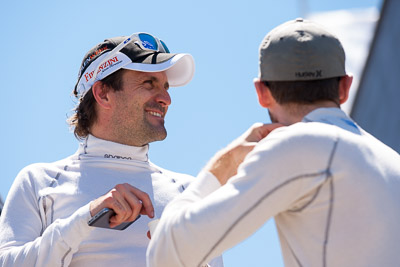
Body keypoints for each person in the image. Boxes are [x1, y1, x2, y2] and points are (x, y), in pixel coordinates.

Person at [147, 18, 400, 267]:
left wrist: (223, 165)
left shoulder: (295, 145)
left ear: (262, 93)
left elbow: (167, 253)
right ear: (344, 87)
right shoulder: (392, 160)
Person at [0, 33, 223, 266]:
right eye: (149, 83)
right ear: (103, 94)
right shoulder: (39, 182)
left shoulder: (189, 192)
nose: (166, 98)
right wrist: (85, 218)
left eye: (166, 87)